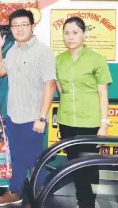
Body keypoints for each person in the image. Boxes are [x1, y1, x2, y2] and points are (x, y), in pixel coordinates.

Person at [0, 9, 56, 207]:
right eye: (15, 26)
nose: (19, 29)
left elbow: (50, 85)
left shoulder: (42, 51)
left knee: (35, 158)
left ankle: (42, 194)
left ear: (32, 26)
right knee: (17, 156)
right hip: (14, 115)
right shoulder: (12, 50)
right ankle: (15, 192)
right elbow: (1, 71)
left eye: (23, 25)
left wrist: (42, 118)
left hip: (33, 117)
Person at [56, 16, 112, 208]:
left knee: (87, 166)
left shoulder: (97, 59)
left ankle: (87, 203)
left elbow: (103, 92)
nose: (70, 37)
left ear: (84, 34)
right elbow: (58, 88)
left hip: (90, 121)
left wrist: (104, 123)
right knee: (74, 165)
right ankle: (84, 201)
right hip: (66, 121)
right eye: (66, 33)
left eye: (75, 32)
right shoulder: (59, 60)